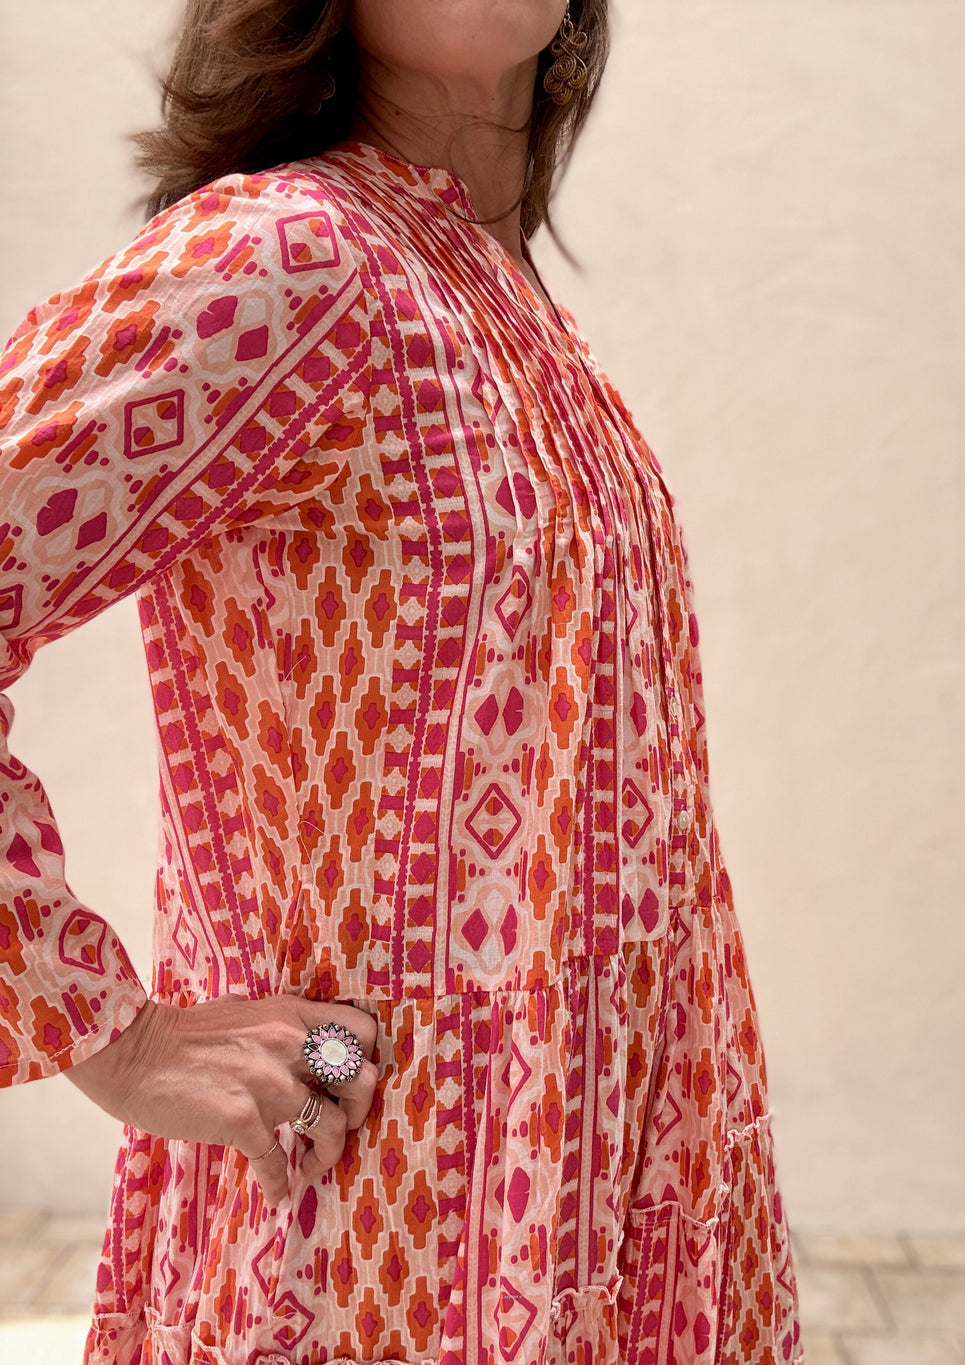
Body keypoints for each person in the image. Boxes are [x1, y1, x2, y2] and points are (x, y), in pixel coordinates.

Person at [0, 1, 802, 1361]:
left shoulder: (492, 287)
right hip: (386, 1239)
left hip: (615, 1205)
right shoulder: (287, 258)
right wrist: (113, 1034)